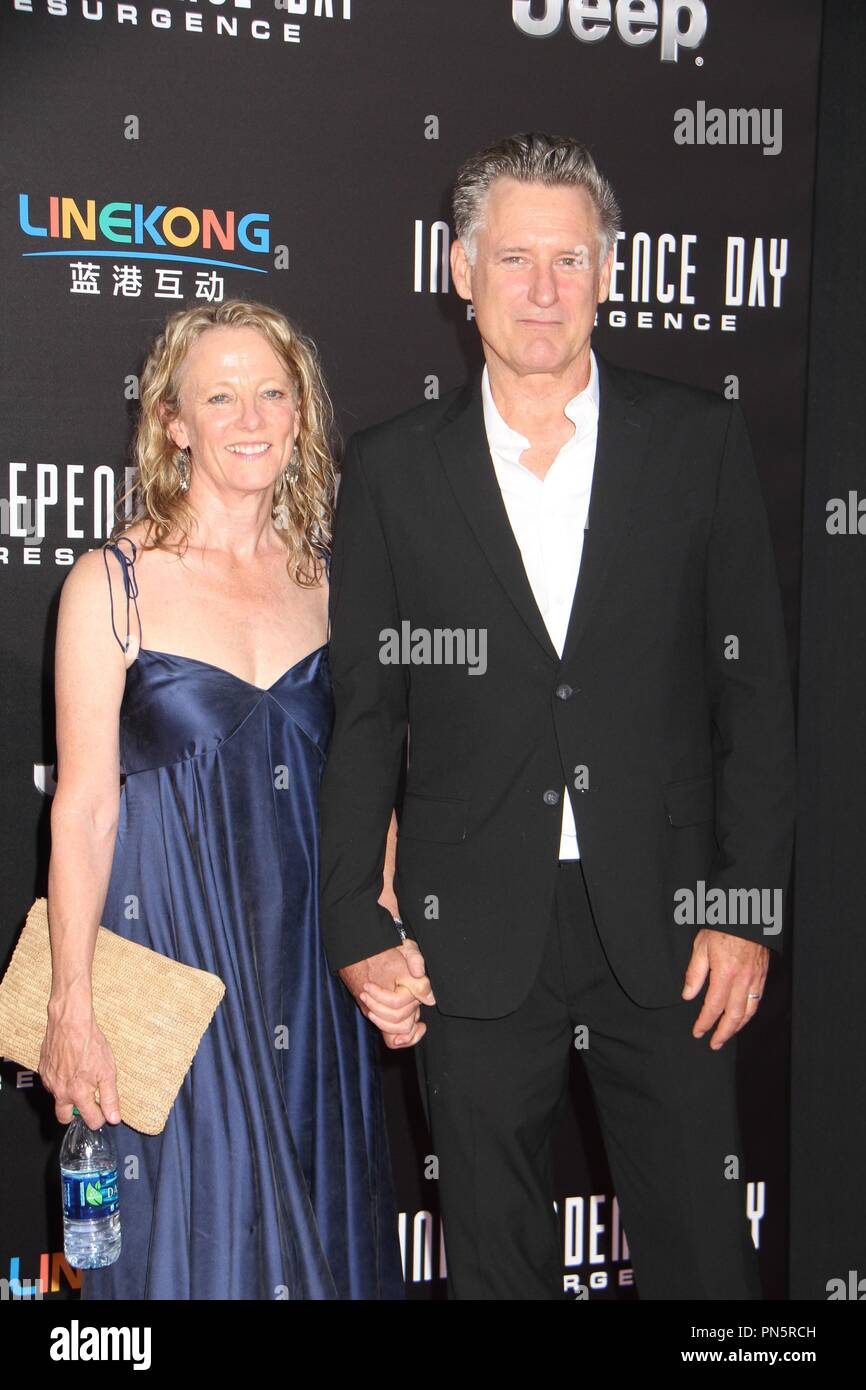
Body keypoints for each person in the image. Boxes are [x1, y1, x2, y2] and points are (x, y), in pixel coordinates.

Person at [318, 133, 797, 1300]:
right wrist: (353, 920)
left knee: (704, 1259)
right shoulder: (388, 469)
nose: (542, 290)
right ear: (460, 269)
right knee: (493, 1260)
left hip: (672, 926)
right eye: (515, 259)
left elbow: (753, 693)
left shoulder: (697, 441)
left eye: (570, 261)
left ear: (609, 275)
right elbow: (368, 711)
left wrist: (744, 910)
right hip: (468, 930)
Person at [40, 298, 429, 1299]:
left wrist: (377, 930)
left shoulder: (335, 580)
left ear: (300, 413)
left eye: (271, 392)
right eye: (219, 395)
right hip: (173, 963)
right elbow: (82, 808)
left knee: (317, 1216)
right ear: (173, 420)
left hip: (307, 963)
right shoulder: (111, 585)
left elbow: (367, 781)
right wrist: (72, 1003)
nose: (250, 416)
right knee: (197, 1240)